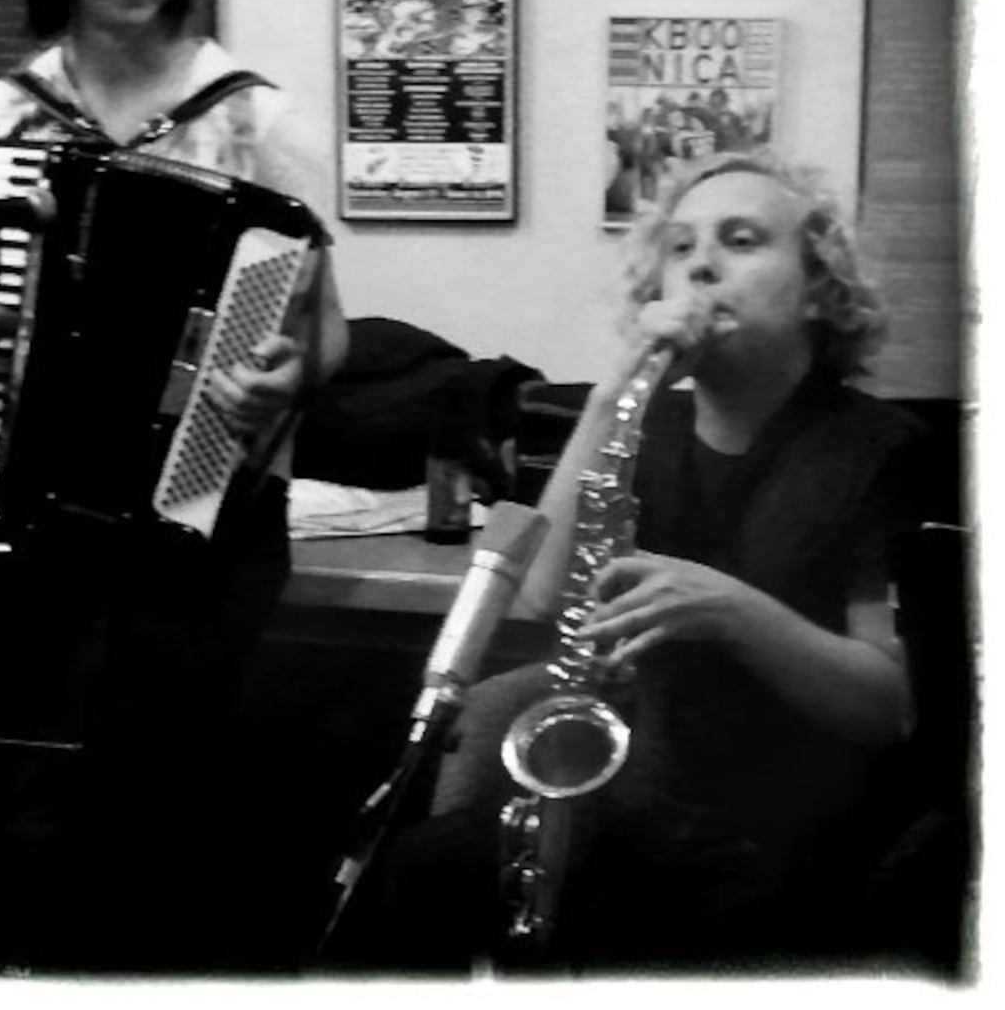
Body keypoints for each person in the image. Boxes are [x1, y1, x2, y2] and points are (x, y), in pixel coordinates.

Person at [0, 0, 348, 970]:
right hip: (32, 522)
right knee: (25, 805)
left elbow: (327, 329)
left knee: (160, 811)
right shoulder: (10, 116)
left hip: (199, 528)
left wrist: (285, 373)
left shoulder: (255, 118)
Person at [351, 151, 922, 972]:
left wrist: (733, 611)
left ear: (819, 291)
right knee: (418, 872)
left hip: (800, 828)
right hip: (649, 798)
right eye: (680, 247)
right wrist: (610, 396)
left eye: (741, 240)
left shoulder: (880, 450)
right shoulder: (647, 429)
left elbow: (893, 707)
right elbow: (545, 591)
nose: (700, 265)